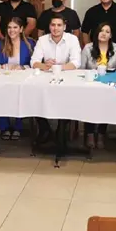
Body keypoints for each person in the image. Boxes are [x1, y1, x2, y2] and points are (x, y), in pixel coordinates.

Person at [30, 14, 81, 143]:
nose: (56, 28)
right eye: (53, 25)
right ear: (49, 27)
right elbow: (34, 61)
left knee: (69, 99)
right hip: (46, 77)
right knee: (33, 95)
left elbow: (76, 63)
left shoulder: (72, 39)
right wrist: (45, 66)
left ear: (64, 27)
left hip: (67, 77)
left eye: (59, 25)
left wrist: (59, 67)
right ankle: (44, 128)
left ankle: (61, 129)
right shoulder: (42, 40)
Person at [81, 22, 116, 149]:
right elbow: (81, 69)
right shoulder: (88, 48)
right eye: (101, 31)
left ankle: (101, 133)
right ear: (96, 33)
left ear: (111, 35)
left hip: (109, 87)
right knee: (89, 104)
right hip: (91, 86)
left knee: (106, 103)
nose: (104, 34)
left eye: (107, 31)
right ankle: (90, 133)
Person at [0, 17, 35, 140]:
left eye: (15, 27)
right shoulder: (0, 44)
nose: (12, 30)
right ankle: (4, 126)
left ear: (21, 29)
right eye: (9, 27)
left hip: (22, 80)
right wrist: (3, 66)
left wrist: (21, 67)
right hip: (3, 80)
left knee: (20, 96)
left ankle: (18, 126)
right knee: (1, 95)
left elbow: (34, 64)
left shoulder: (30, 44)